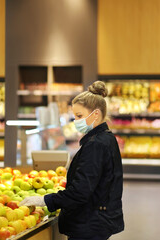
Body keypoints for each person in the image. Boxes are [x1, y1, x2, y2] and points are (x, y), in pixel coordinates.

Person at [20, 81, 124, 240]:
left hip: (90, 224)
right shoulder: (107, 138)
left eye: (79, 116)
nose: (76, 121)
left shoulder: (95, 144)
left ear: (95, 114)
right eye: (74, 116)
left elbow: (80, 192)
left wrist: (45, 200)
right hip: (100, 219)